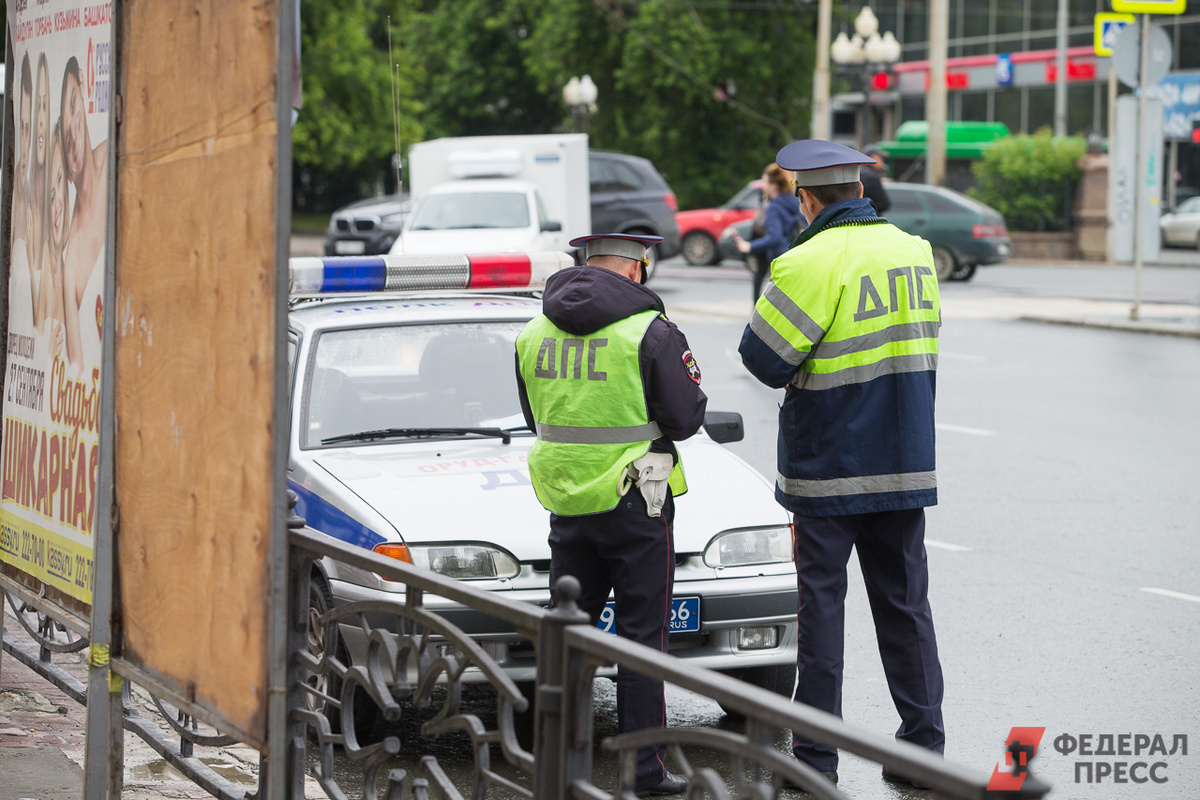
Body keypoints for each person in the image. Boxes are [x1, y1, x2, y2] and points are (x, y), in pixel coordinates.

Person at [737, 140, 943, 790]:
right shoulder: (914, 251)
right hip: (905, 462)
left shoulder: (806, 261)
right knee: (906, 607)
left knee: (822, 610)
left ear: (806, 199)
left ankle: (816, 760)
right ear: (858, 190)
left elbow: (763, 358)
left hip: (827, 468)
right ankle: (923, 749)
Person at [515, 234, 707, 797]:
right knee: (641, 638)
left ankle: (553, 758)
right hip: (636, 501)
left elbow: (536, 416)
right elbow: (685, 415)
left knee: (567, 632)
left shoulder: (533, 331)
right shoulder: (650, 330)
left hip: (567, 501)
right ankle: (644, 772)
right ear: (636, 266)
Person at [61, 54, 110, 367]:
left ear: (82, 81)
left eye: (73, 107)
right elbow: (76, 367)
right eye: (65, 137)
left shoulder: (117, 161)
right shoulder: (71, 263)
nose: (74, 137)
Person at [736, 163, 803, 300]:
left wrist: (749, 246)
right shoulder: (796, 202)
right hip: (796, 256)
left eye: (765, 182)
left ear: (774, 185)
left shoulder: (774, 207)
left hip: (779, 258)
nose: (763, 186)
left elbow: (774, 238)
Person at [860, 144, 891, 214]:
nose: (882, 161)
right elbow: (884, 204)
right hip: (870, 218)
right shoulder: (871, 177)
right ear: (873, 157)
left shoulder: (860, 173)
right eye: (881, 158)